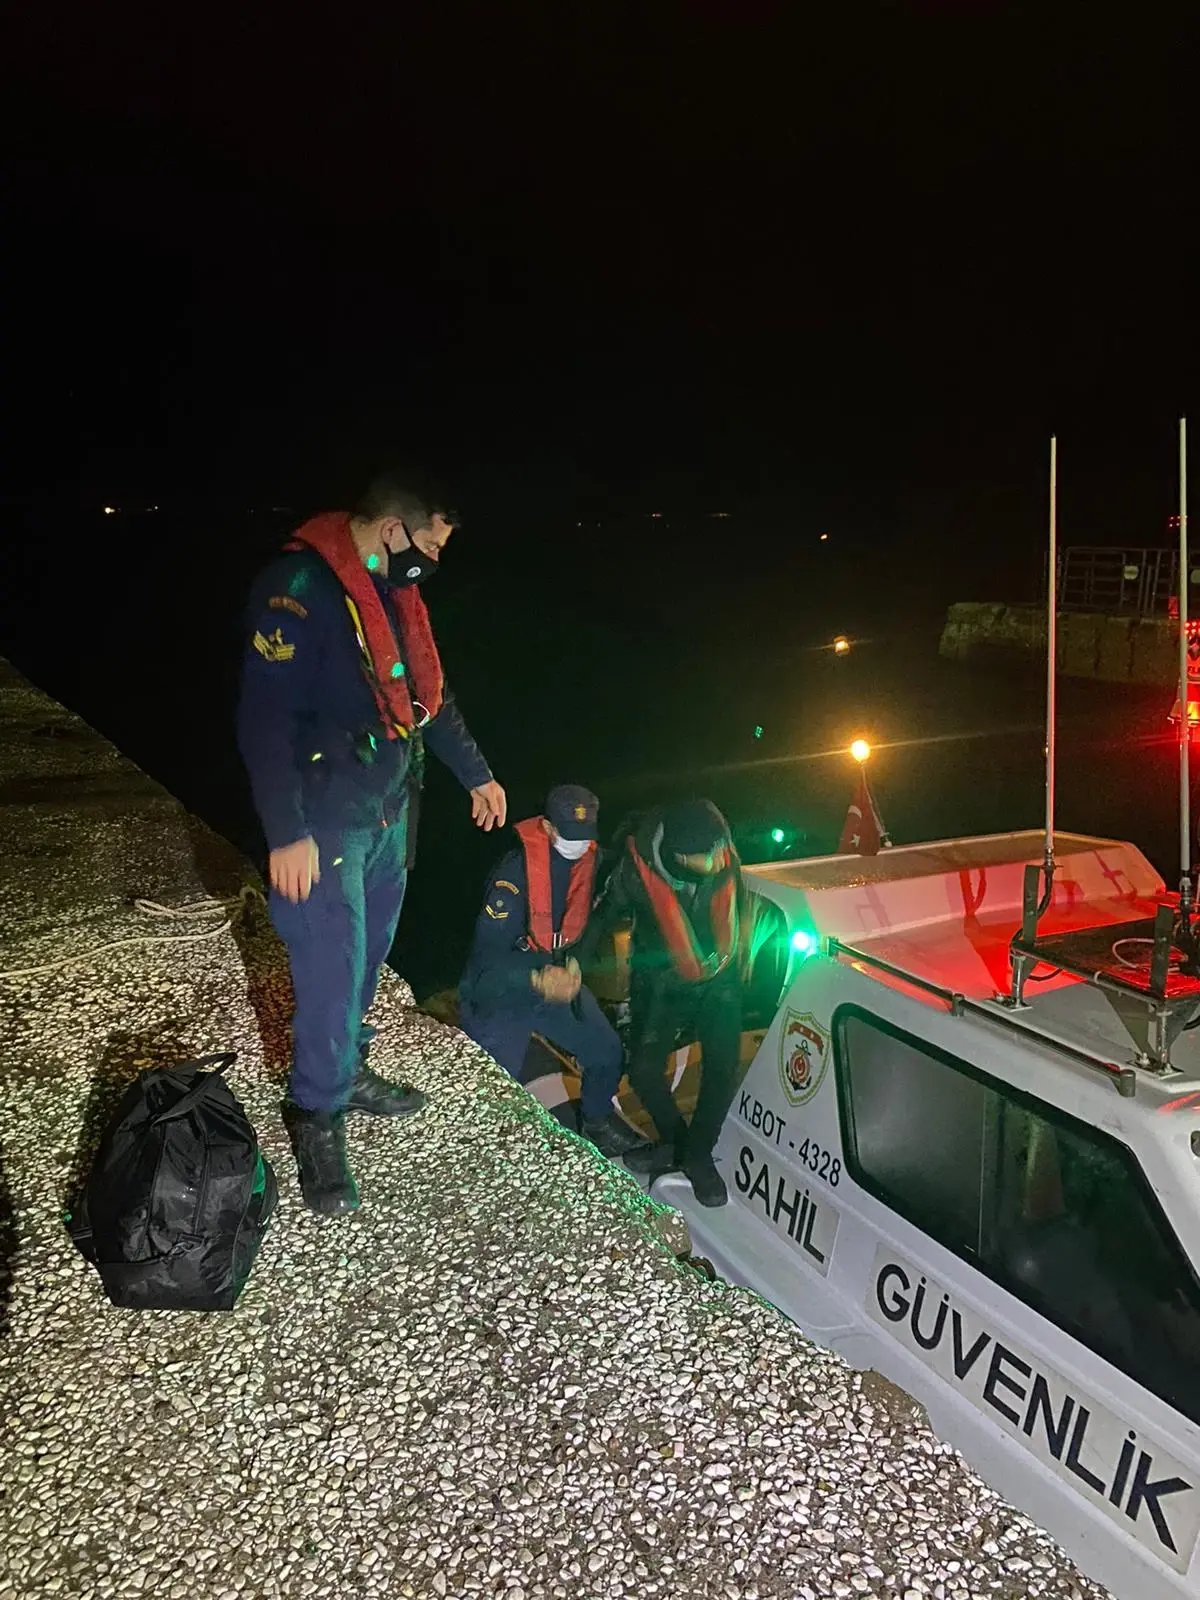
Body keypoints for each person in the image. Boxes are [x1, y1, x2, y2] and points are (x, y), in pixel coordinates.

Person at [236, 473, 507, 1217]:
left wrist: (476, 775)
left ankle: (346, 1067)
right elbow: (265, 720)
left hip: (389, 808)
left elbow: (429, 696)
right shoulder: (298, 589)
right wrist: (286, 833)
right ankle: (315, 1112)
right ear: (393, 529)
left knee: (370, 950)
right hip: (326, 819)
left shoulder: (391, 592)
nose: (435, 563)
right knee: (331, 960)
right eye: (431, 546)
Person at [458, 786, 647, 1159]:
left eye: (585, 837)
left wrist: (577, 961)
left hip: (557, 980)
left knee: (606, 1049)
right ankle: (480, 1152)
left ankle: (596, 1120)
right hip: (502, 988)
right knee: (495, 1091)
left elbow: (591, 920)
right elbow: (488, 957)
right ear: (546, 827)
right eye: (569, 836)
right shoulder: (512, 876)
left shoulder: (591, 866)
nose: (578, 845)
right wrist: (536, 979)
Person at [581, 798, 751, 1207]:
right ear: (678, 856)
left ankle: (697, 1156)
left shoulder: (721, 850)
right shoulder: (635, 871)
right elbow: (603, 915)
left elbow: (740, 911)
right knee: (642, 1070)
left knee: (723, 1066)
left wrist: (740, 969)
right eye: (705, 855)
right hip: (660, 978)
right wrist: (572, 963)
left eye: (718, 848)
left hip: (720, 977)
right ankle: (675, 1141)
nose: (717, 858)